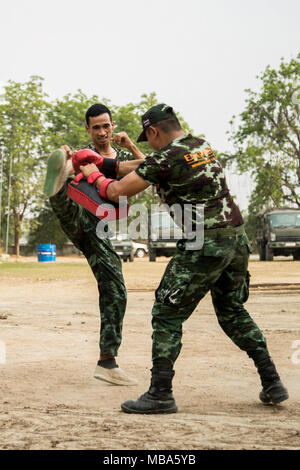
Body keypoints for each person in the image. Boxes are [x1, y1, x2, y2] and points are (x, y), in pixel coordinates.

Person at [79, 103, 289, 413]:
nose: (149, 143)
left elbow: (116, 192)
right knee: (232, 310)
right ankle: (272, 381)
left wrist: (92, 173)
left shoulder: (167, 158)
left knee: (166, 312)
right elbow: (149, 164)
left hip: (205, 243)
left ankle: (161, 393)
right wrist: (110, 160)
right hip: (236, 238)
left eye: (148, 137)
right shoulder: (200, 145)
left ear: (154, 131)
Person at [43, 103, 144, 386]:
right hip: (83, 216)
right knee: (116, 290)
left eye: (106, 126)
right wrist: (73, 162)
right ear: (88, 129)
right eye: (96, 127)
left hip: (101, 226)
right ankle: (107, 362)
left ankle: (107, 360)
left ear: (113, 126)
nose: (102, 132)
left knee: (114, 290)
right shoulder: (86, 154)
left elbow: (152, 169)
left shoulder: (121, 155)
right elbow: (146, 169)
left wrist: (133, 146)